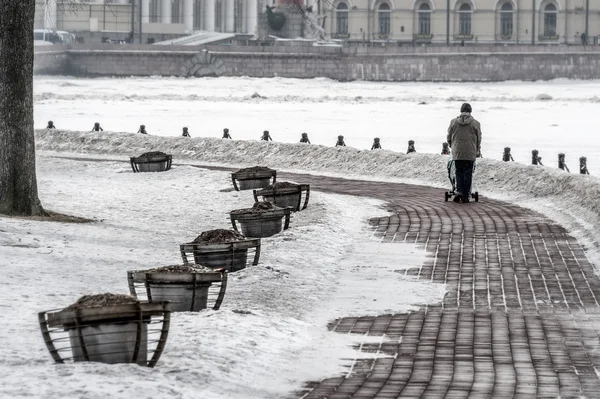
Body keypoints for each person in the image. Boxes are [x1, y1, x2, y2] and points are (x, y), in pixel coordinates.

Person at [446, 102, 482, 203]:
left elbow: (448, 136)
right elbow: (479, 138)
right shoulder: (476, 123)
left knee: (458, 171)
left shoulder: (453, 122)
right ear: (470, 111)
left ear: (461, 111)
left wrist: (451, 146)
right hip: (470, 152)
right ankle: (466, 194)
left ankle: (459, 191)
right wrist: (477, 148)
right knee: (468, 172)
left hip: (457, 151)